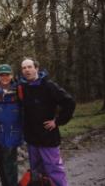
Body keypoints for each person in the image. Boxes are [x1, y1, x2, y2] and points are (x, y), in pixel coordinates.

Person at [19, 58, 76, 186]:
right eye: (24, 68)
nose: (27, 70)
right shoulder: (22, 87)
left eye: (29, 67)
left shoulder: (48, 85)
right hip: (32, 138)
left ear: (36, 68)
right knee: (37, 173)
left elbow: (69, 102)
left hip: (48, 136)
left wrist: (58, 121)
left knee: (54, 169)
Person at [0, 63, 23, 186]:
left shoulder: (19, 89)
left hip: (13, 133)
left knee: (10, 164)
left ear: (12, 76)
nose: (4, 77)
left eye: (7, 75)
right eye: (2, 75)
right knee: (0, 164)